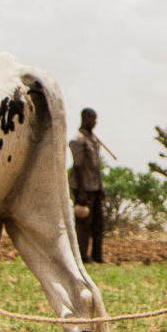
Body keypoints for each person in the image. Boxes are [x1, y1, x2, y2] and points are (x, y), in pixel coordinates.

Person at [68, 108, 107, 264]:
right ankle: (82, 256)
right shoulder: (77, 140)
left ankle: (97, 256)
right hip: (83, 188)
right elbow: (78, 167)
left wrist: (101, 187)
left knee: (98, 224)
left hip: (95, 187)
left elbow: (96, 167)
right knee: (83, 225)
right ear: (85, 118)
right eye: (93, 119)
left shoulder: (94, 140)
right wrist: (81, 192)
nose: (95, 122)